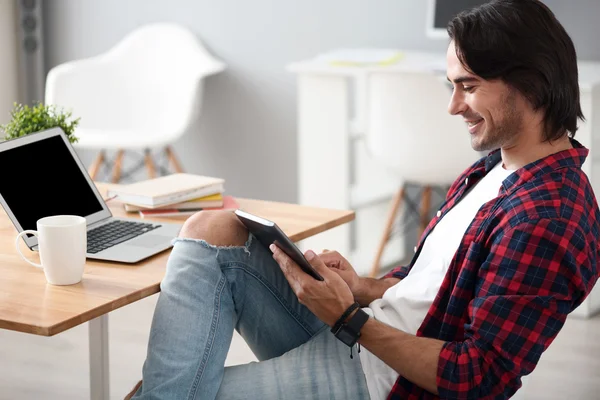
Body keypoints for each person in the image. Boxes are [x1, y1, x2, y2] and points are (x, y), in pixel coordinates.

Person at [128, 1, 600, 399]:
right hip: (366, 332)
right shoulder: (499, 165)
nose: (453, 106)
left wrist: (347, 318)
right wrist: (364, 288)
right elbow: (431, 287)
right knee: (215, 228)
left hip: (381, 381)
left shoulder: (546, 218)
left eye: (469, 86)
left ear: (532, 84)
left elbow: (478, 376)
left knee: (151, 393)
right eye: (452, 85)